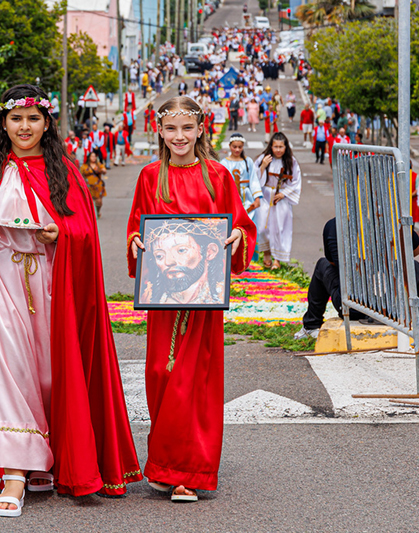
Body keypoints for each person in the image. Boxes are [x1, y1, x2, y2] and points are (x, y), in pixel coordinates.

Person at [0, 84, 143, 517]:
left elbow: (86, 234)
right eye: (16, 119)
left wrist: (61, 235)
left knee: (49, 373)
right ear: (3, 122)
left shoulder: (66, 172)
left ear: (47, 123)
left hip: (51, 280)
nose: (24, 127)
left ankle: (50, 459)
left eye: (33, 119)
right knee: (9, 366)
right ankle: (15, 473)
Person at [127, 96, 256, 503]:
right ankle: (164, 463)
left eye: (187, 128)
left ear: (201, 129)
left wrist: (237, 237)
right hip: (164, 297)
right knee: (161, 376)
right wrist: (135, 242)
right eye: (171, 129)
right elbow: (136, 225)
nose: (179, 137)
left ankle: (189, 471)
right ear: (160, 133)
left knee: (195, 382)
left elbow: (239, 223)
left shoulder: (218, 176)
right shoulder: (150, 176)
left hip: (203, 299)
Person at [295, 219, 419, 339]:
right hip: (394, 305)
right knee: (413, 265)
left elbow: (333, 262)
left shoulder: (335, 225)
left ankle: (311, 325)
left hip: (353, 305)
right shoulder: (394, 221)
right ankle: (417, 315)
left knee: (322, 264)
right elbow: (415, 251)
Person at [140, 219, 229, 305]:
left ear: (209, 252)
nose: (169, 262)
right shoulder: (149, 298)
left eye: (181, 250)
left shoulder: (221, 296)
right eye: (159, 256)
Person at [252, 132, 301, 270]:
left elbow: (296, 181)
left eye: (281, 147)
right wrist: (262, 166)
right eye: (275, 147)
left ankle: (277, 259)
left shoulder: (291, 161)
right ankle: (267, 252)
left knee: (280, 228)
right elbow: (254, 179)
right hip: (266, 195)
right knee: (262, 226)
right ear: (271, 146)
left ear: (286, 147)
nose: (278, 150)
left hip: (281, 199)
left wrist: (284, 193)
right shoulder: (263, 159)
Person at [219, 133, 262, 221]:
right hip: (231, 196)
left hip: (247, 197)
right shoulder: (224, 163)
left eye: (240, 147)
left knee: (249, 220)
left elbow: (253, 180)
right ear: (229, 146)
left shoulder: (248, 161)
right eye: (234, 147)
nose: (237, 149)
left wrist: (257, 198)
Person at [80, 151, 107, 218]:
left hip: (98, 186)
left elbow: (104, 170)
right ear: (89, 157)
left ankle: (98, 211)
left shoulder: (99, 165)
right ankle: (90, 215)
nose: (94, 158)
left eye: (95, 156)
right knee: (88, 202)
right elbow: (80, 175)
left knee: (99, 202)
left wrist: (103, 170)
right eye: (92, 156)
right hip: (88, 186)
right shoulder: (84, 166)